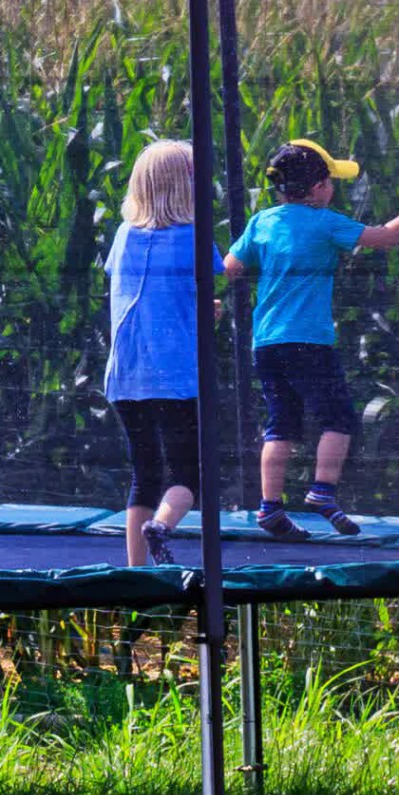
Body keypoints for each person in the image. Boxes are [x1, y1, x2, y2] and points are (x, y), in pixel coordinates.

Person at [224, 139, 399, 540]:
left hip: (266, 342)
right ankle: (322, 491)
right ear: (318, 187)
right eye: (331, 182)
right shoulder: (325, 222)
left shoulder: (262, 222)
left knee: (281, 423)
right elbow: (386, 237)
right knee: (339, 418)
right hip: (309, 341)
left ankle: (269, 507)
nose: (333, 189)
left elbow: (230, 267)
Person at [103, 139, 221, 566]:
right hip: (174, 375)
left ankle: (135, 573)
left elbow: (144, 292)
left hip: (126, 374)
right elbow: (199, 291)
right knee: (189, 474)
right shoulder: (194, 238)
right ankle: (162, 526)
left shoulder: (123, 236)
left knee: (145, 472)